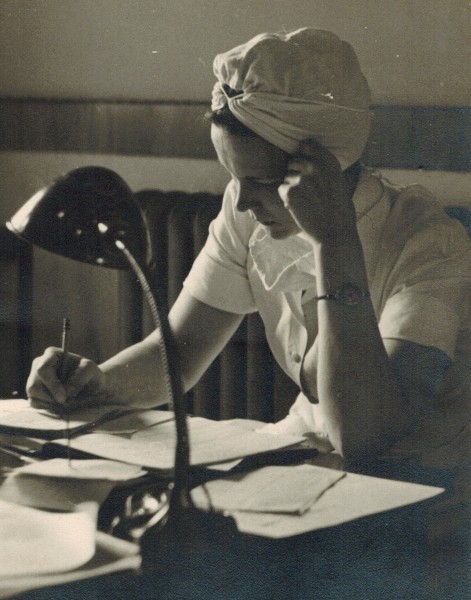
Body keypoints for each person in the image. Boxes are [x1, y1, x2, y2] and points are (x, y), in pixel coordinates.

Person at [27, 28, 470, 543]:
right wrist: (95, 384)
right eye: (234, 180)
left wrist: (334, 242)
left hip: (425, 502)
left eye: (259, 183)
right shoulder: (249, 216)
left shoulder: (427, 242)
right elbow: (176, 355)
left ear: (324, 169)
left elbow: (365, 437)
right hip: (308, 471)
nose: (240, 204)